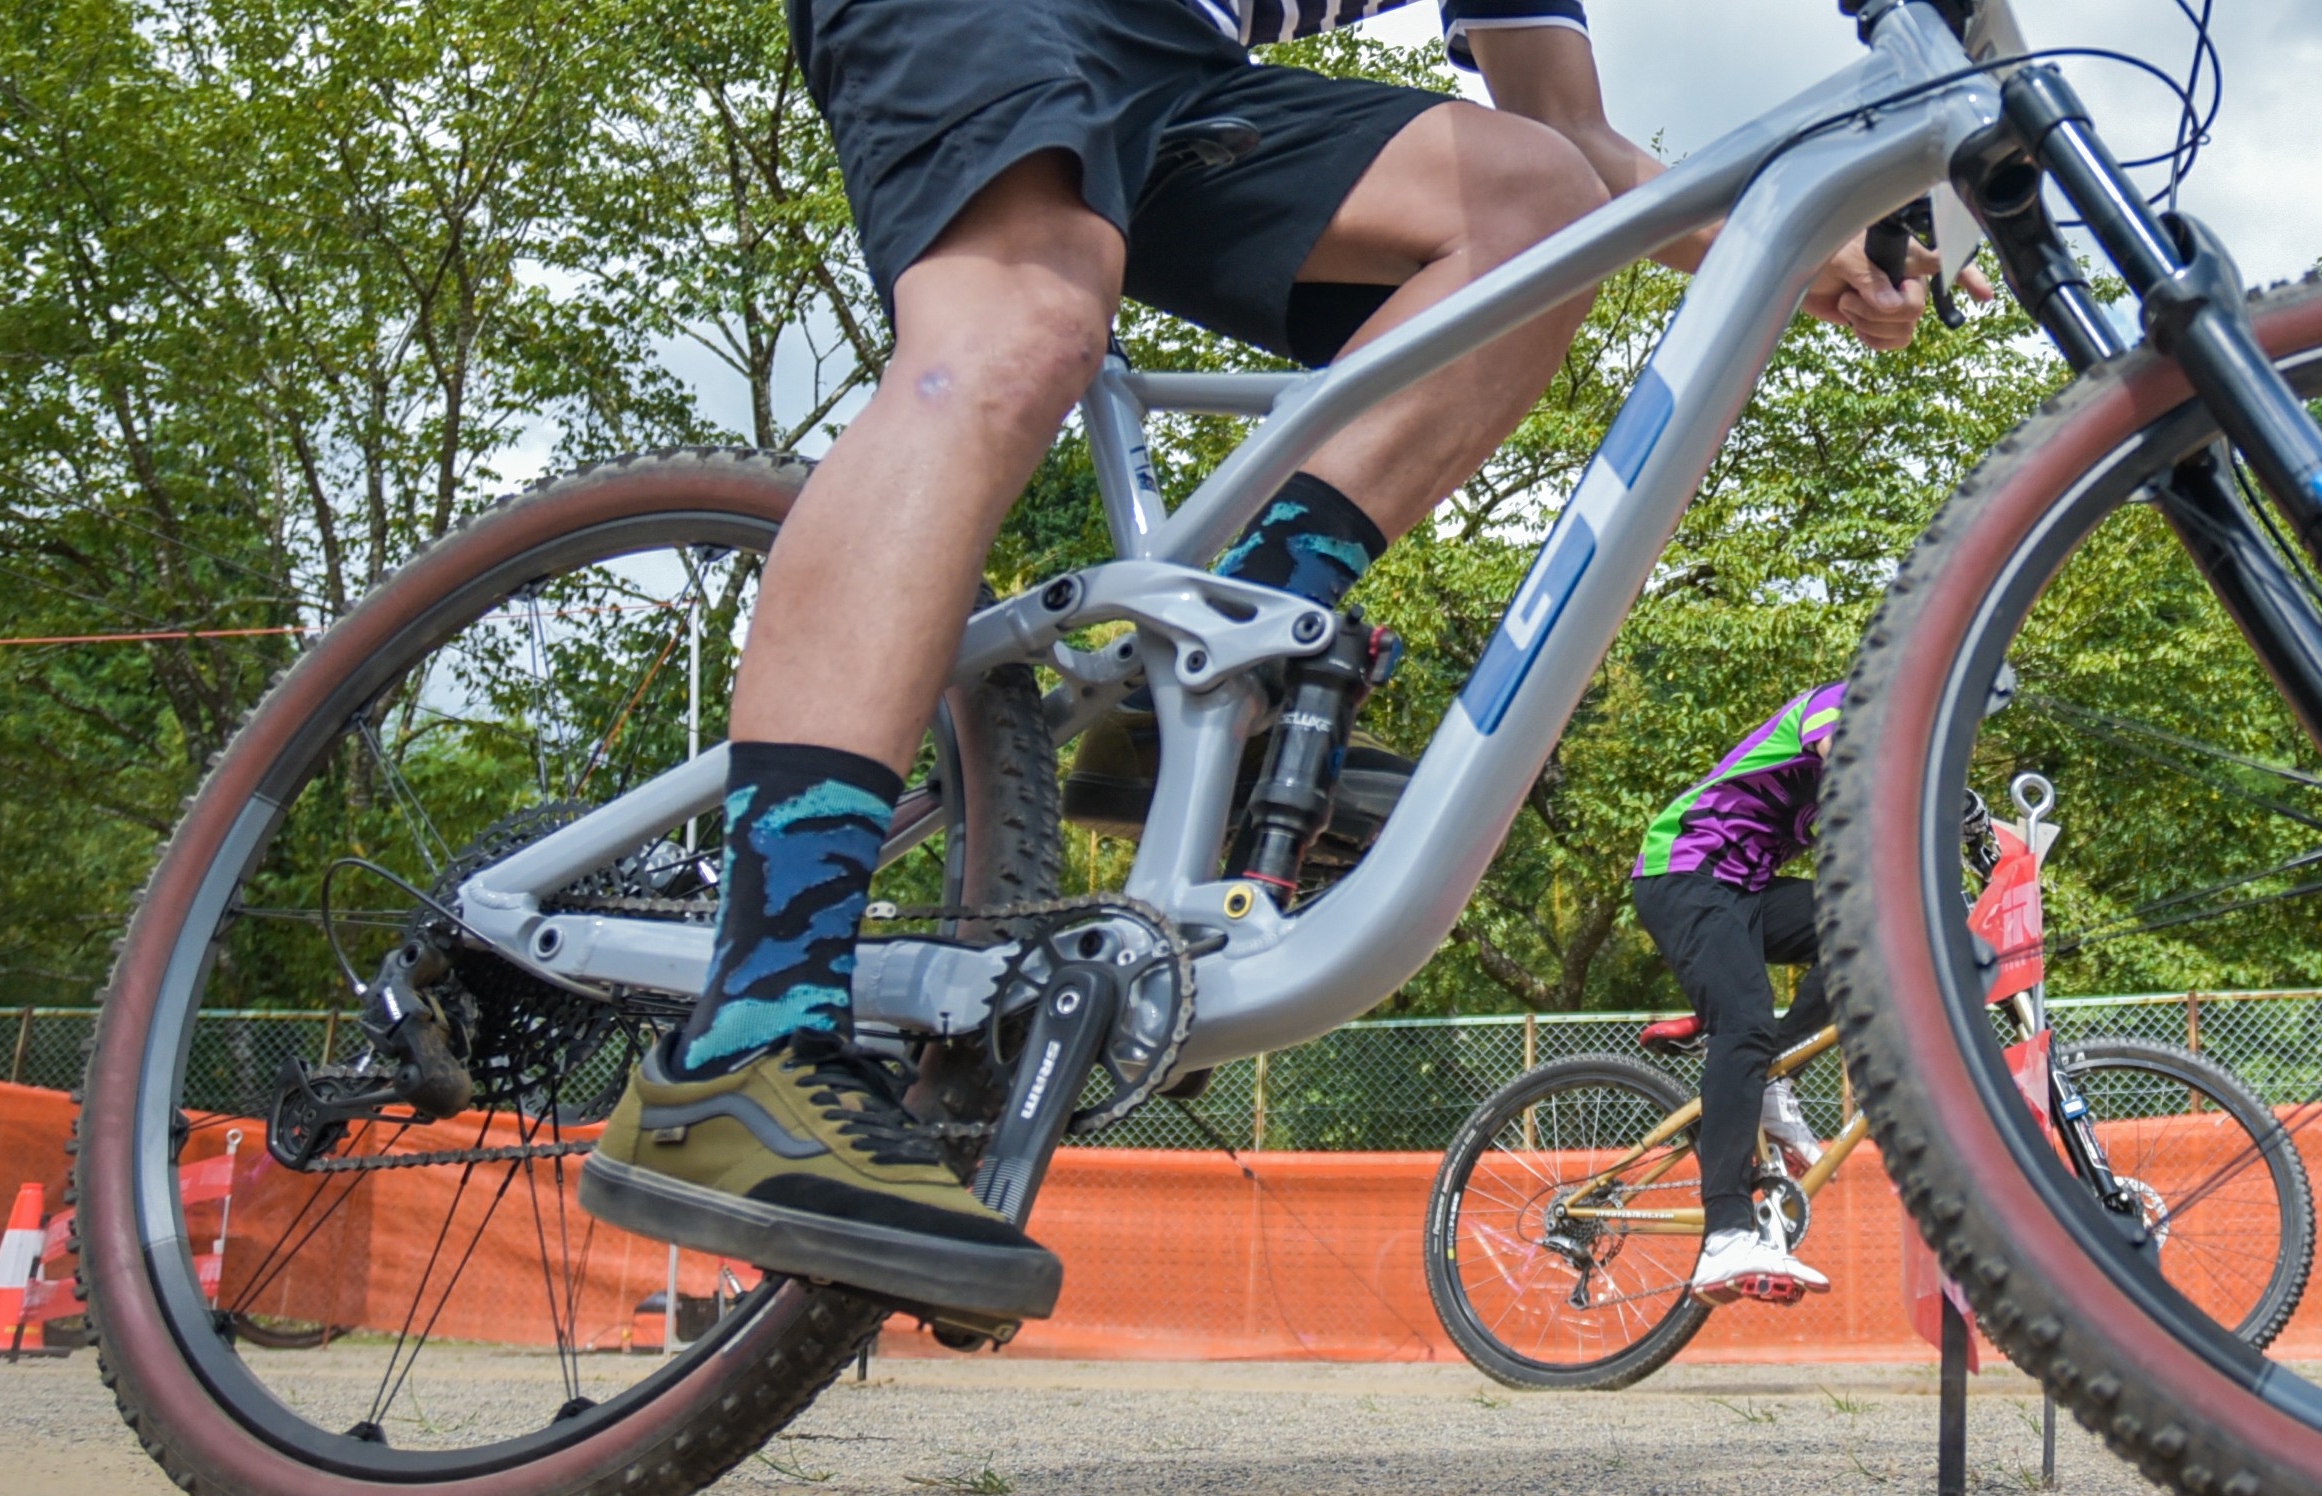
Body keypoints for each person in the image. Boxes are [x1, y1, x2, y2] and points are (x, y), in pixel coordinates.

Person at [580, 0, 1966, 1322]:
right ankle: (750, 1032)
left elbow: (1575, 135)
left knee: (1534, 206)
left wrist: (1804, 242)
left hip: (1172, 71)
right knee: (1021, 327)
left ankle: (1214, 667)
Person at [1629, 683, 1843, 1306]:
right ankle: (1726, 1232)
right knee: (1743, 1026)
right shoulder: (1848, 699)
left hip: (1746, 891)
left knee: (1866, 921)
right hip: (1685, 873)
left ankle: (1775, 1073)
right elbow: (1847, 756)